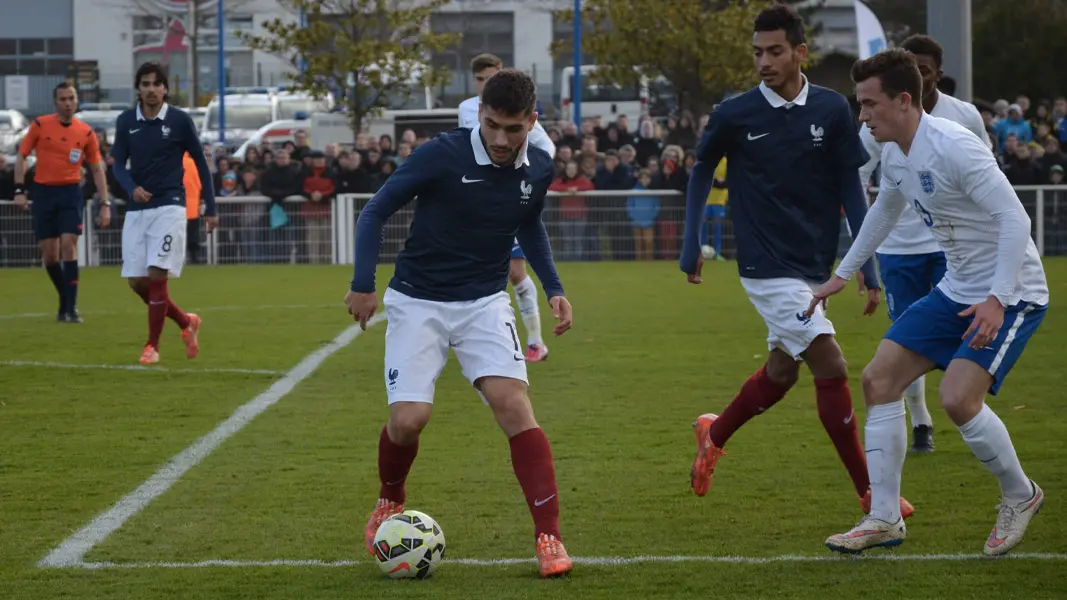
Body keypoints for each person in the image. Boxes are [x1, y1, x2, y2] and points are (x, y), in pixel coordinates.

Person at [680, 3, 915, 519]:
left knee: (782, 373)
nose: (764, 60)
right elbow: (700, 171)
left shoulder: (832, 109)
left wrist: (865, 266)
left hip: (813, 262)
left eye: (775, 51)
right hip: (765, 266)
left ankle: (712, 434)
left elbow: (850, 188)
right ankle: (870, 493)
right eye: (758, 51)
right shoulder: (734, 113)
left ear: (799, 52)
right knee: (830, 362)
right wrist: (691, 240)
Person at [817, 49, 1047, 556]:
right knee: (879, 379)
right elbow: (881, 214)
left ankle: (1021, 494)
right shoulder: (897, 154)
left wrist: (997, 298)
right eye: (860, 105)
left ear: (903, 101)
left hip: (1013, 292)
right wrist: (842, 275)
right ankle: (883, 517)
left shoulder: (955, 147)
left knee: (958, 401)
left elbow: (1016, 221)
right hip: (958, 289)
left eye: (870, 104)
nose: (863, 115)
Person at [346, 69, 574, 578]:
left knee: (514, 406)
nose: (499, 138)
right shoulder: (440, 154)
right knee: (408, 421)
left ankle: (549, 536)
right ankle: (390, 500)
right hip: (416, 301)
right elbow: (374, 213)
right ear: (480, 113)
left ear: (531, 122)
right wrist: (364, 283)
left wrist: (554, 287)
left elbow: (529, 220)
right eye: (491, 125)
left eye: (512, 129)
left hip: (484, 303)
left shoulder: (538, 166)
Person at [857, 34, 992, 454]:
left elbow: (990, 180)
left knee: (962, 341)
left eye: (926, 68)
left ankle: (971, 412)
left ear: (937, 73)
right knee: (905, 342)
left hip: (951, 252)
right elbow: (860, 180)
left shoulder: (963, 118)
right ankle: (920, 422)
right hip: (899, 250)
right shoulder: (878, 123)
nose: (920, 74)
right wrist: (859, 262)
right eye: (912, 66)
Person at [110, 62, 217, 365]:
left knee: (157, 276)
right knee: (137, 282)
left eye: (157, 84)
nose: (152, 90)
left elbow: (200, 162)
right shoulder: (126, 121)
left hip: (170, 206)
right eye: (145, 84)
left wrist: (211, 205)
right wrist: (131, 188)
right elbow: (117, 164)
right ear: (138, 89)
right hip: (137, 209)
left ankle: (151, 347)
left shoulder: (180, 121)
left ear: (166, 88)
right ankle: (187, 322)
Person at [458, 53, 555, 363]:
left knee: (515, 271)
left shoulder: (516, 111)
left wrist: (520, 173)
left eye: (490, 78)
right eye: (480, 79)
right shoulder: (465, 109)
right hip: (473, 204)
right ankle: (466, 336)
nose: (485, 84)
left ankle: (536, 342)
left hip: (506, 203)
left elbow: (546, 148)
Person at [13, 82, 111, 323]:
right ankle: (65, 299)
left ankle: (71, 308)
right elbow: (22, 156)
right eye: (63, 99)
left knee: (69, 243)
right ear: (55, 103)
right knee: (49, 255)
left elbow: (97, 168)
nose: (68, 103)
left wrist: (105, 202)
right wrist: (19, 190)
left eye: (71, 98)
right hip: (44, 192)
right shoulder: (40, 125)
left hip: (69, 193)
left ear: (76, 101)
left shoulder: (86, 133)